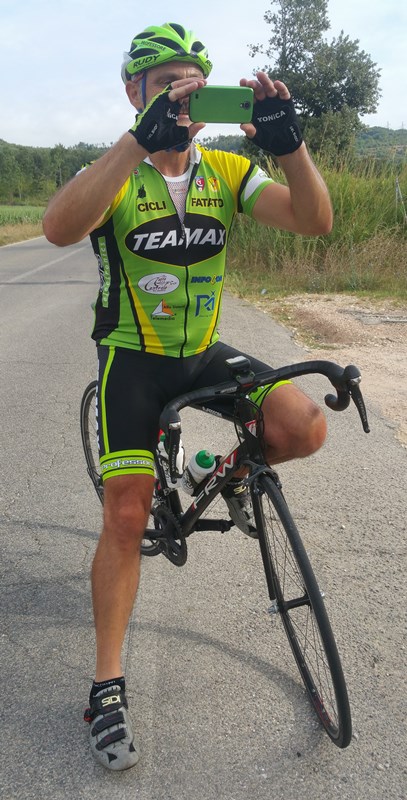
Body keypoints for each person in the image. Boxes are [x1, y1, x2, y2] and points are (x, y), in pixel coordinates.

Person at [43, 22, 332, 771]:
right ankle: (106, 685)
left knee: (304, 426)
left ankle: (213, 472)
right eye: (163, 83)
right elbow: (58, 228)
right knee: (126, 513)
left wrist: (290, 146)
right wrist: (135, 143)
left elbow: (314, 221)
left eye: (191, 83)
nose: (180, 95)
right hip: (131, 361)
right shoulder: (115, 171)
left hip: (201, 350)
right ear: (133, 91)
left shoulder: (227, 170)